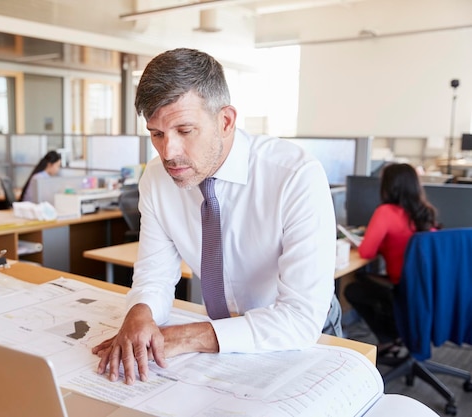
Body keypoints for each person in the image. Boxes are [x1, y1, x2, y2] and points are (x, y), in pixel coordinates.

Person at [91, 48, 340, 385]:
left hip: (300, 337)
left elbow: (299, 319)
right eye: (157, 134)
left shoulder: (295, 175)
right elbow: (154, 275)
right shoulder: (156, 179)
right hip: (219, 339)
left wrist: (181, 337)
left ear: (225, 121)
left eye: (184, 130)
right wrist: (140, 314)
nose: (169, 152)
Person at [344, 163, 438, 355]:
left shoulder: (386, 212)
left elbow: (366, 253)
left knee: (353, 289)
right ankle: (395, 335)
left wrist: (377, 243)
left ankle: (390, 337)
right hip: (430, 290)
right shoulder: (426, 212)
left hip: (402, 287)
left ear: (388, 186)